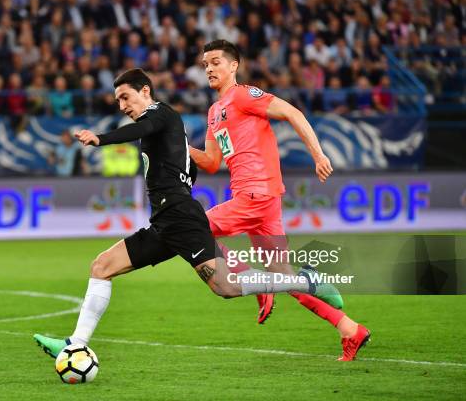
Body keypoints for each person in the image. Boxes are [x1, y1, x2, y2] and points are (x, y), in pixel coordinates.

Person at [33, 68, 338, 358]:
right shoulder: (166, 131)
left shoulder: (160, 114)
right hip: (165, 221)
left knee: (225, 287)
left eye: (126, 97)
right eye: (118, 101)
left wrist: (101, 139)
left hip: (179, 217)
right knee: (101, 266)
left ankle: (304, 282)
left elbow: (142, 127)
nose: (122, 105)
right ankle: (75, 345)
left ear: (145, 90)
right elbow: (191, 170)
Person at [190, 40, 370, 361]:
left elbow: (291, 112)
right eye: (206, 64)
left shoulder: (244, 95)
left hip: (256, 194)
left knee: (192, 228)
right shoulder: (214, 112)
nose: (209, 69)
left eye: (216, 62)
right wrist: (177, 147)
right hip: (259, 200)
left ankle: (258, 284)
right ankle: (349, 329)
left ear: (234, 66)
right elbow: (210, 162)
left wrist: (318, 154)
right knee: (284, 280)